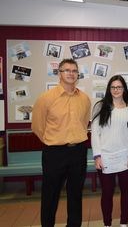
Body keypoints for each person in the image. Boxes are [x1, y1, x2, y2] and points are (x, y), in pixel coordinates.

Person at [31, 58, 91, 227]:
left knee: (75, 194)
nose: (71, 73)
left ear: (78, 74)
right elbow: (37, 126)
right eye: (67, 70)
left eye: (74, 70)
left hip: (78, 152)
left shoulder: (84, 99)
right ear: (59, 74)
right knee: (50, 195)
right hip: (54, 153)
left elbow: (84, 122)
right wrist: (52, 141)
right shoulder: (46, 98)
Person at [91, 75, 128, 227]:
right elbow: (95, 133)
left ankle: (124, 222)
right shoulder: (100, 107)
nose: (116, 90)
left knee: (126, 191)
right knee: (107, 193)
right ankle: (107, 223)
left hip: (126, 157)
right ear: (109, 89)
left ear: (124, 89)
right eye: (113, 87)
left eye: (119, 87)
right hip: (105, 157)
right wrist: (97, 156)